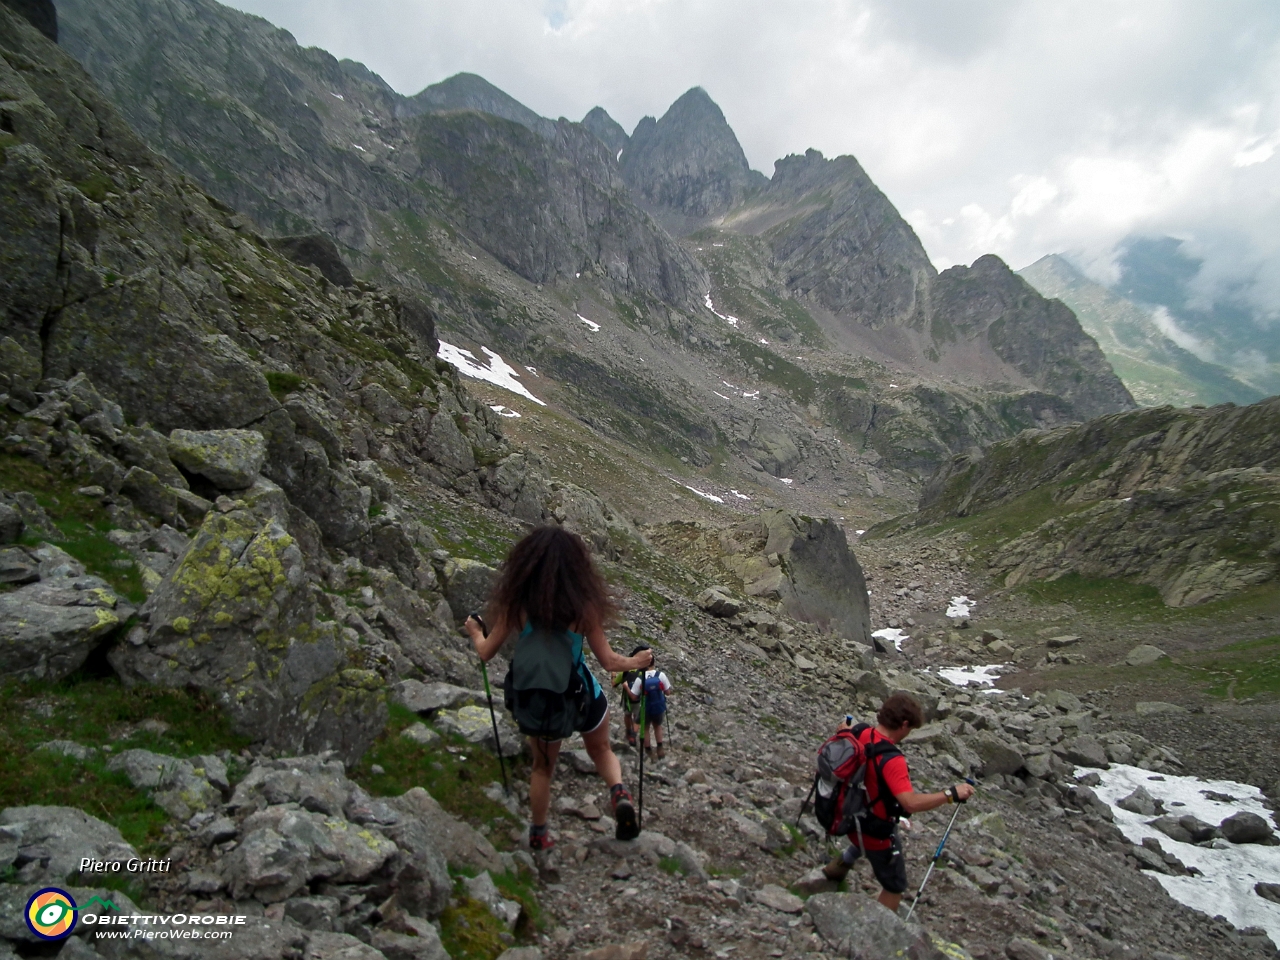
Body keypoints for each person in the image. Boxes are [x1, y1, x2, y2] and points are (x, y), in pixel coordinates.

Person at [464, 526, 655, 850]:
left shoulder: (517, 606)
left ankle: (539, 835)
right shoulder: (583, 610)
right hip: (580, 695)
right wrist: (639, 661)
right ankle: (619, 793)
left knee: (543, 768)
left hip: (541, 700)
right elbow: (609, 661)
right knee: (601, 749)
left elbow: (485, 652)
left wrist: (473, 630)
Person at [820, 692, 976, 912]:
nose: (908, 733)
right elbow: (910, 803)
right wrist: (950, 794)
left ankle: (836, 869)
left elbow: (841, 730)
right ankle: (877, 933)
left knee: (870, 828)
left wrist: (845, 726)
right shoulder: (892, 760)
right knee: (895, 885)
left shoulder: (860, 732)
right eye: (910, 729)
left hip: (848, 815)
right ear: (903, 724)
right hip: (874, 831)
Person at [626, 650, 672, 760]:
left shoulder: (640, 678)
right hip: (658, 706)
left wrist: (626, 687)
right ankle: (660, 749)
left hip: (646, 707)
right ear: (654, 663)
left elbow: (633, 696)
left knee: (646, 728)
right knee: (657, 726)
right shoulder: (661, 675)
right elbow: (668, 692)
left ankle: (648, 750)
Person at [611, 653, 645, 748]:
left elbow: (613, 685)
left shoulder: (624, 673)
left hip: (627, 700)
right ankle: (634, 735)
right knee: (637, 717)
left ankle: (628, 731)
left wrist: (613, 675)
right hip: (639, 700)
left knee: (627, 715)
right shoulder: (641, 673)